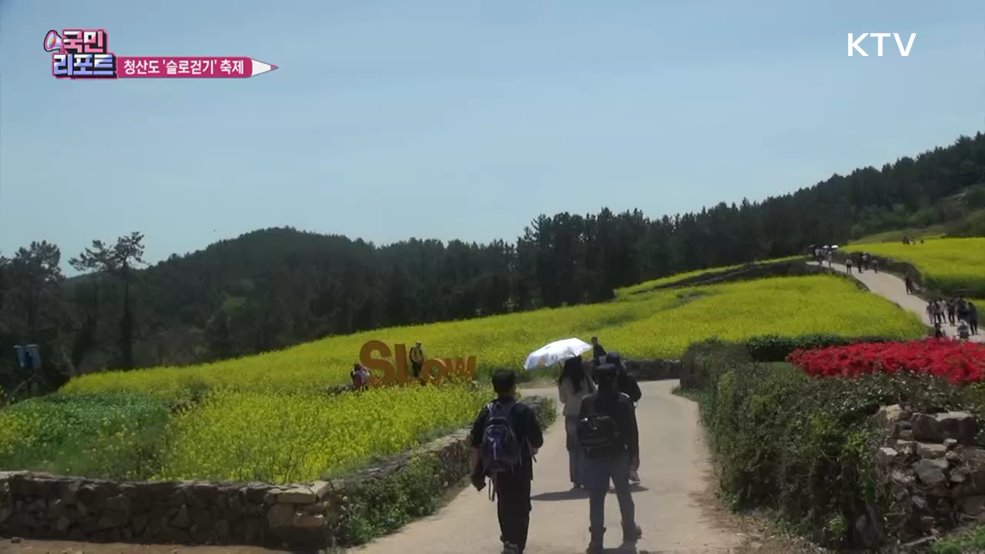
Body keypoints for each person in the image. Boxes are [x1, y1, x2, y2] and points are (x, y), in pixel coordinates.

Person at [470, 370, 544, 554]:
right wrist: (532, 448)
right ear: (513, 387)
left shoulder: (487, 411)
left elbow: (475, 444)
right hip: (520, 467)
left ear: (495, 388)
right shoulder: (522, 411)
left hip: (496, 468)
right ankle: (516, 543)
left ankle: (508, 540)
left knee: (504, 504)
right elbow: (537, 441)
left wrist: (475, 471)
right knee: (521, 505)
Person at [578, 364, 642, 553]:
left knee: (596, 498)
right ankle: (629, 530)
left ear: (596, 380)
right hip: (618, 454)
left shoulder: (588, 401)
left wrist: (584, 453)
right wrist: (634, 454)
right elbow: (632, 430)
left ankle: (596, 540)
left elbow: (580, 430)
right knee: (623, 493)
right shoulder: (623, 400)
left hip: (595, 456)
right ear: (615, 379)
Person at [604, 352, 642, 484]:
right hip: (628, 412)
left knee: (611, 440)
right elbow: (638, 395)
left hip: (609, 413)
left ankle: (613, 470)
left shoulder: (605, 378)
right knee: (632, 439)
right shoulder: (628, 377)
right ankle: (632, 467)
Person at [558, 356, 595, 489]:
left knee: (573, 449)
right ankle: (587, 477)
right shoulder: (585, 378)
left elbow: (563, 399)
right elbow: (594, 392)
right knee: (587, 446)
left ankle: (576, 479)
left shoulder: (563, 380)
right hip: (586, 415)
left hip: (571, 415)